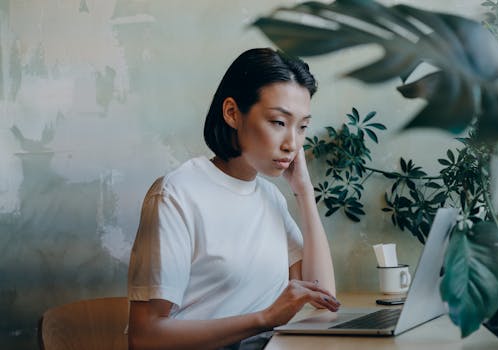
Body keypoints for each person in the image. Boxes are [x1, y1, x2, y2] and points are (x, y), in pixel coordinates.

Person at [127, 47, 339, 350]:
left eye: (302, 127)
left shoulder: (269, 197)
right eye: (279, 122)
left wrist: (304, 193)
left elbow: (323, 296)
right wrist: (264, 318)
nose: (292, 144)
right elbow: (144, 337)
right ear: (232, 113)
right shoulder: (176, 194)